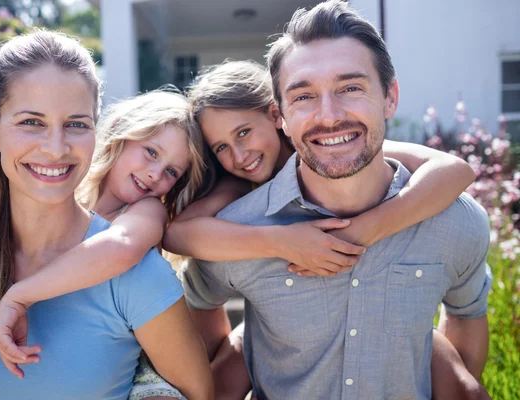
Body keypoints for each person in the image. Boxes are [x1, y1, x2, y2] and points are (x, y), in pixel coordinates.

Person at [176, 2, 492, 399]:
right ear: (282, 116)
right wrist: (237, 356)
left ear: (389, 97)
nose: (329, 116)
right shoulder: (235, 223)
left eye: (350, 88)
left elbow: (467, 315)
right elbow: (195, 285)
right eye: (304, 96)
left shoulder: (454, 221)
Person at [0, 30, 212, 400]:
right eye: (31, 122)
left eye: (76, 124)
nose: (55, 149)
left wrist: (18, 295)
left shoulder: (135, 263)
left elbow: (199, 391)